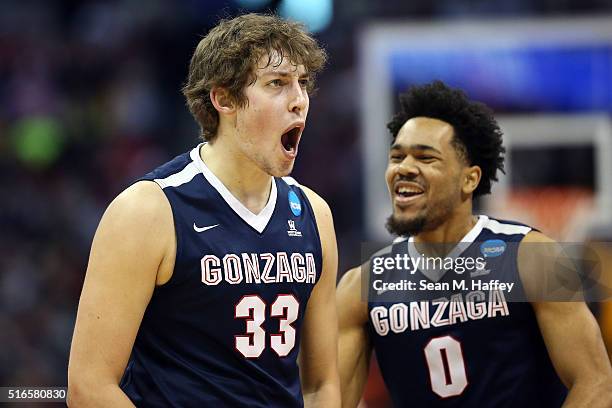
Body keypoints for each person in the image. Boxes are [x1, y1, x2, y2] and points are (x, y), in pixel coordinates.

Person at [68, 13, 340, 407]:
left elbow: (321, 384)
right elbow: (88, 387)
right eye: (277, 84)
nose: (299, 100)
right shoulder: (147, 211)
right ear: (224, 98)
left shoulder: (314, 214)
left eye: (303, 84)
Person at [337, 81, 612, 407]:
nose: (404, 168)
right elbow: (328, 398)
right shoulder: (361, 286)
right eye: (397, 156)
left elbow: (596, 383)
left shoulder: (532, 257)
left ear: (470, 179)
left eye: (426, 158)